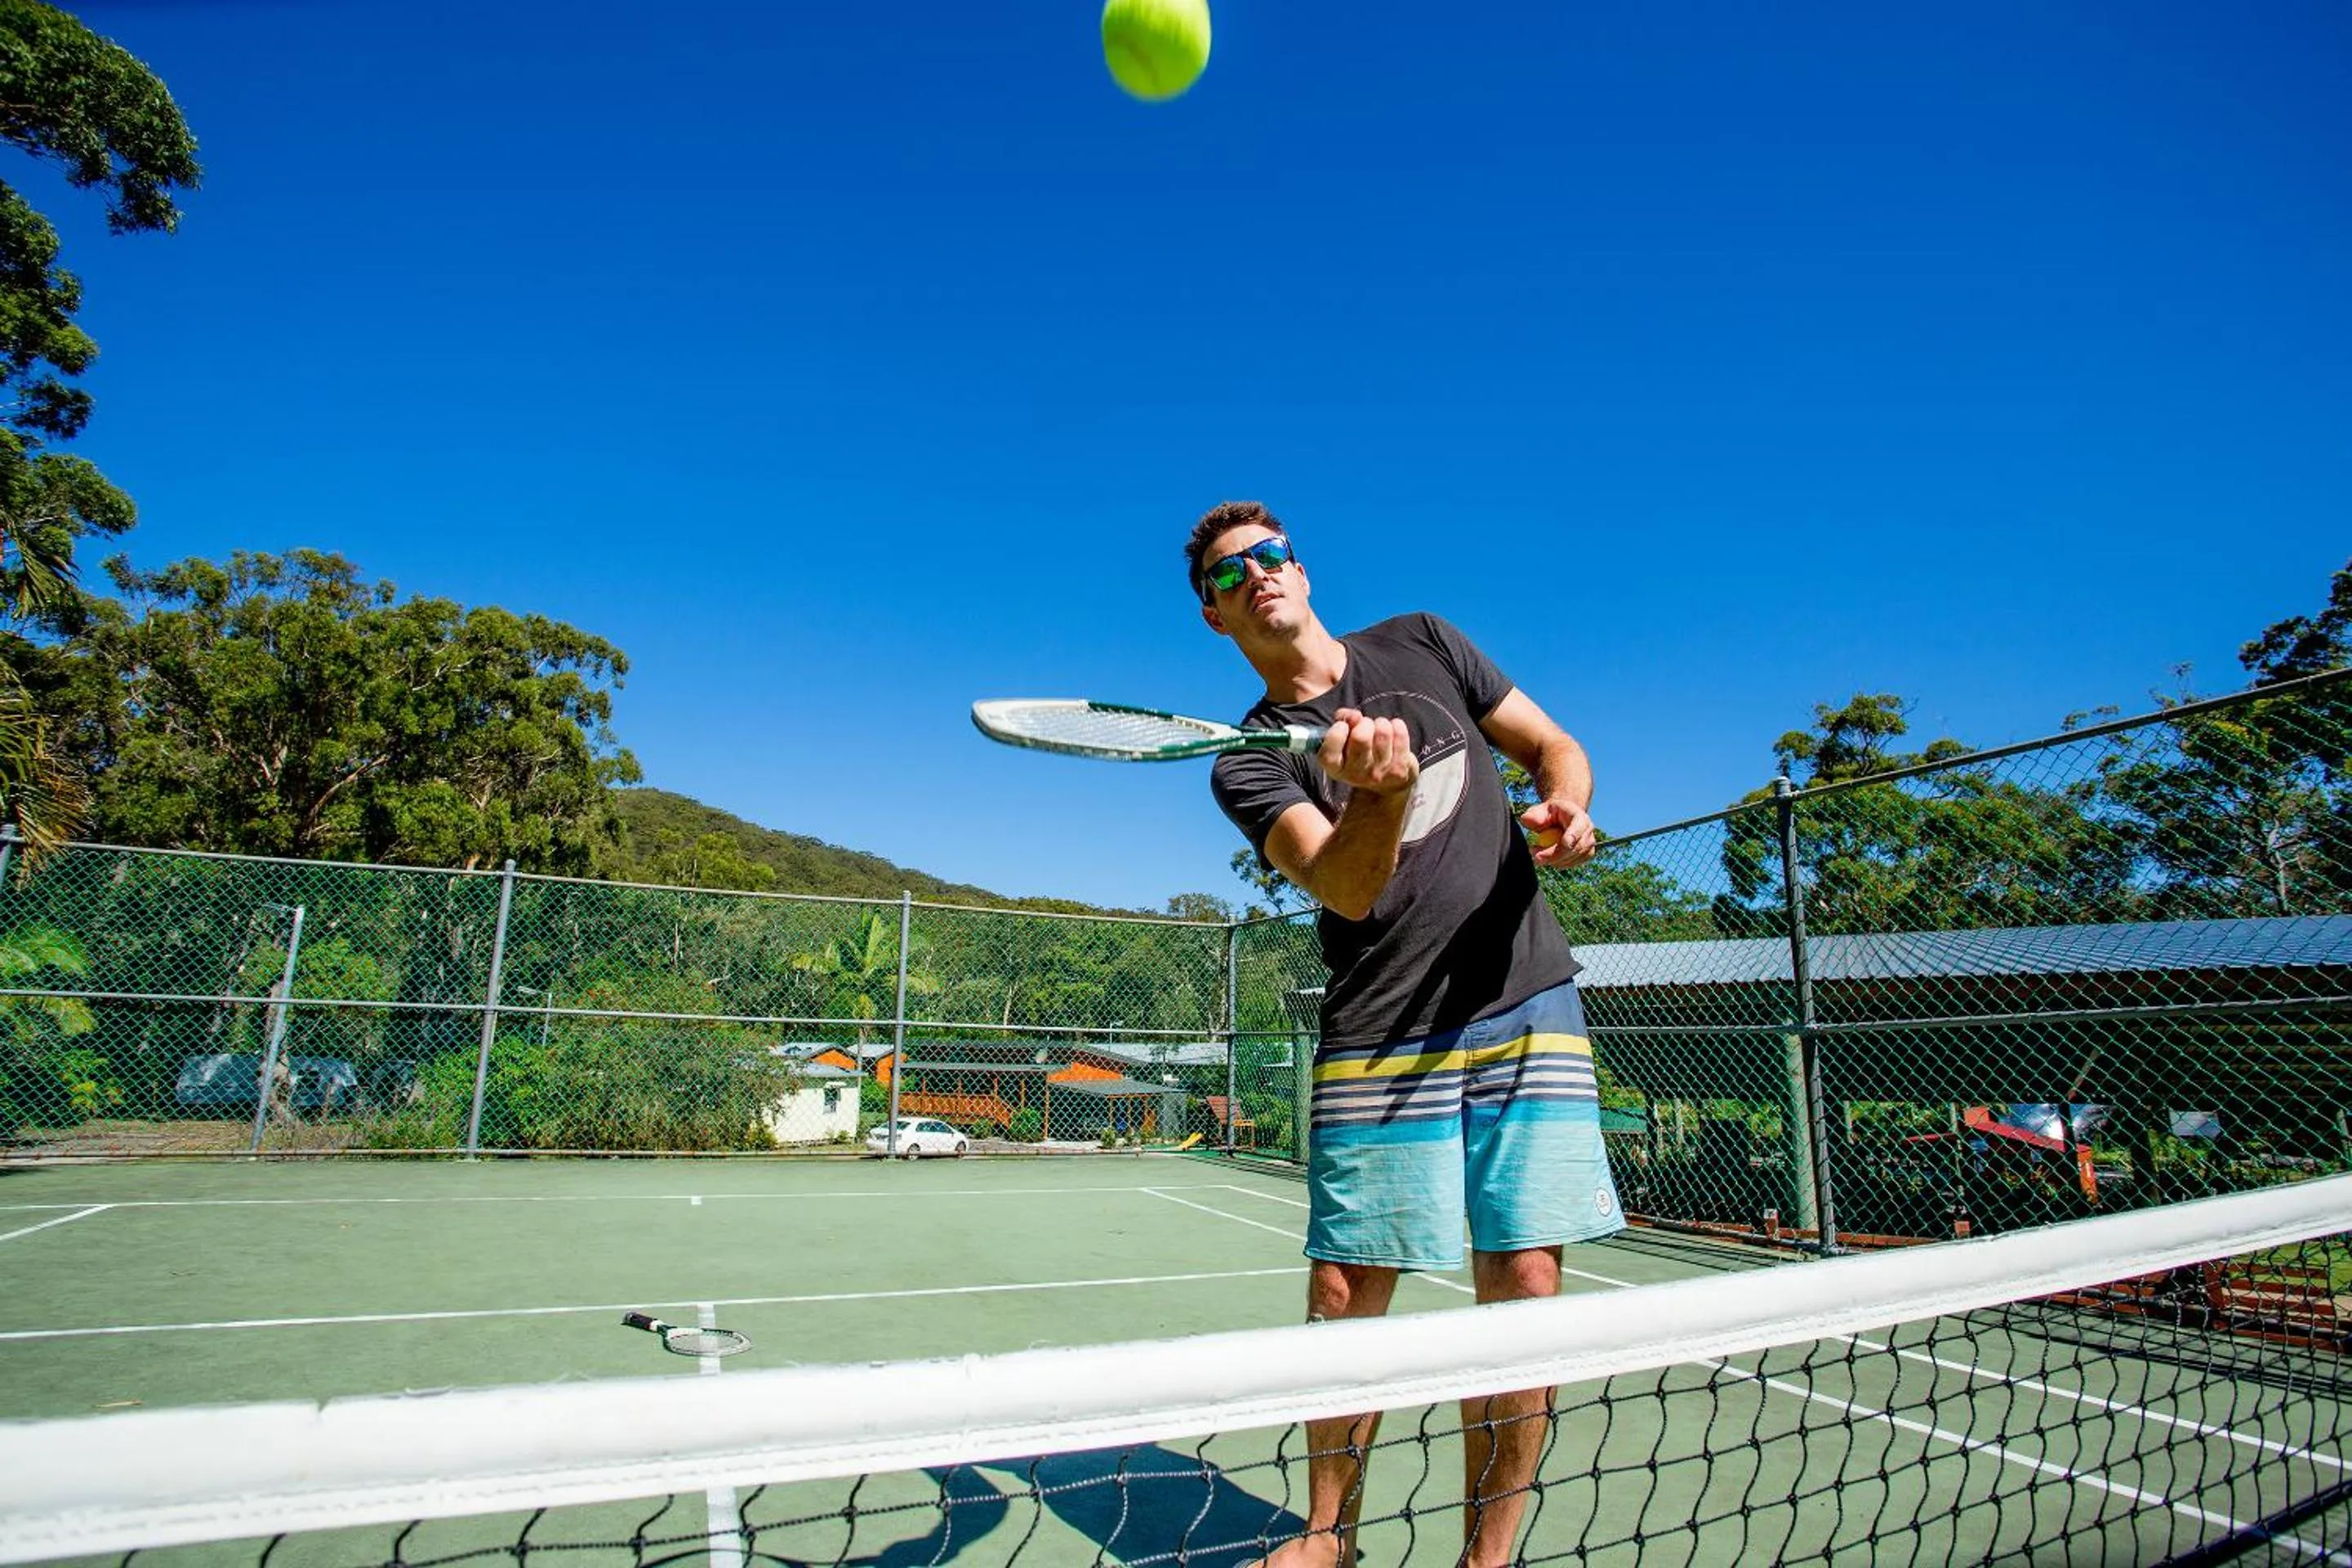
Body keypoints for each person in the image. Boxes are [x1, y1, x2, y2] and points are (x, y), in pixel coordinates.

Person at [1187, 500, 1624, 1568]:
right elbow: (1342, 887)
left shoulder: (1425, 640)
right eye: (1233, 573)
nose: (1261, 574)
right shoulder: (1246, 759)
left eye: (1272, 554)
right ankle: (1327, 1536)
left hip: (1523, 997)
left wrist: (1565, 800)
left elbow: (1551, 743)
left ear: (1301, 565)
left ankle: (1488, 1557)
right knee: (1346, 1291)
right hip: (1381, 1033)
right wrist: (1377, 797)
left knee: (1523, 1284)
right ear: (1215, 614)